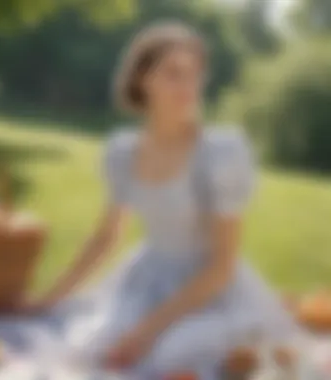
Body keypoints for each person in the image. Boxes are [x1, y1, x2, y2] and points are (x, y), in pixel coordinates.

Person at [31, 21, 298, 379]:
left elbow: (222, 265)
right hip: (146, 281)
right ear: (143, 79)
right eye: (174, 73)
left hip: (211, 291)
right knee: (93, 346)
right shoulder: (124, 151)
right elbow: (106, 238)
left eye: (194, 74)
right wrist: (50, 299)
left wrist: (146, 331)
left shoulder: (218, 152)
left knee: (169, 353)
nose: (188, 86)